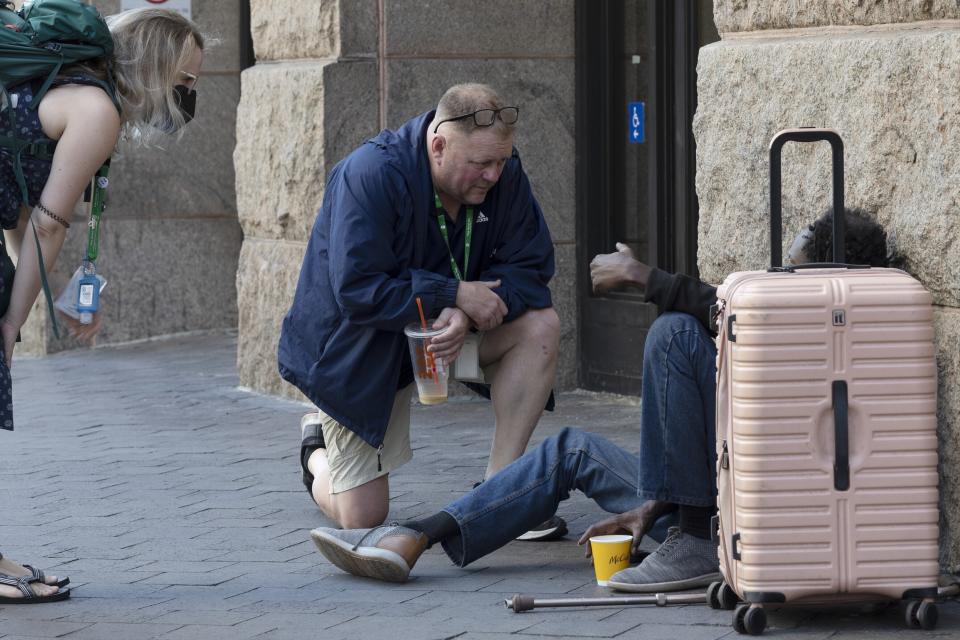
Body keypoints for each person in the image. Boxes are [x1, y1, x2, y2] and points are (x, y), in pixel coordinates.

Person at [308, 209, 892, 591]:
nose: (780, 280)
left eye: (794, 270)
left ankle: (691, 542)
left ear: (832, 282)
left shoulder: (830, 341)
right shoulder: (789, 321)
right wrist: (650, 507)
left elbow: (730, 312)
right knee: (570, 449)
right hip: (707, 498)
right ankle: (419, 534)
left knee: (671, 334)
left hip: (746, 527)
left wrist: (642, 276)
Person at [279, 84, 564, 540]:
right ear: (438, 145)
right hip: (366, 347)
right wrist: (450, 293)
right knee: (363, 517)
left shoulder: (502, 174)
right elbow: (356, 289)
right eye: (480, 165)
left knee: (541, 327)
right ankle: (315, 450)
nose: (494, 176)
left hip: (447, 336)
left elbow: (532, 265)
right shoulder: (370, 173)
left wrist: (465, 310)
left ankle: (499, 495)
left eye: (501, 162)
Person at [0, 8, 205, 604]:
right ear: (154, 67)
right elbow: (47, 225)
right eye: (184, 81)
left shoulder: (58, 89)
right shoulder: (97, 110)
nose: (187, 95)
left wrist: (40, 295)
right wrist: (15, 320)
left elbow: (20, 212)